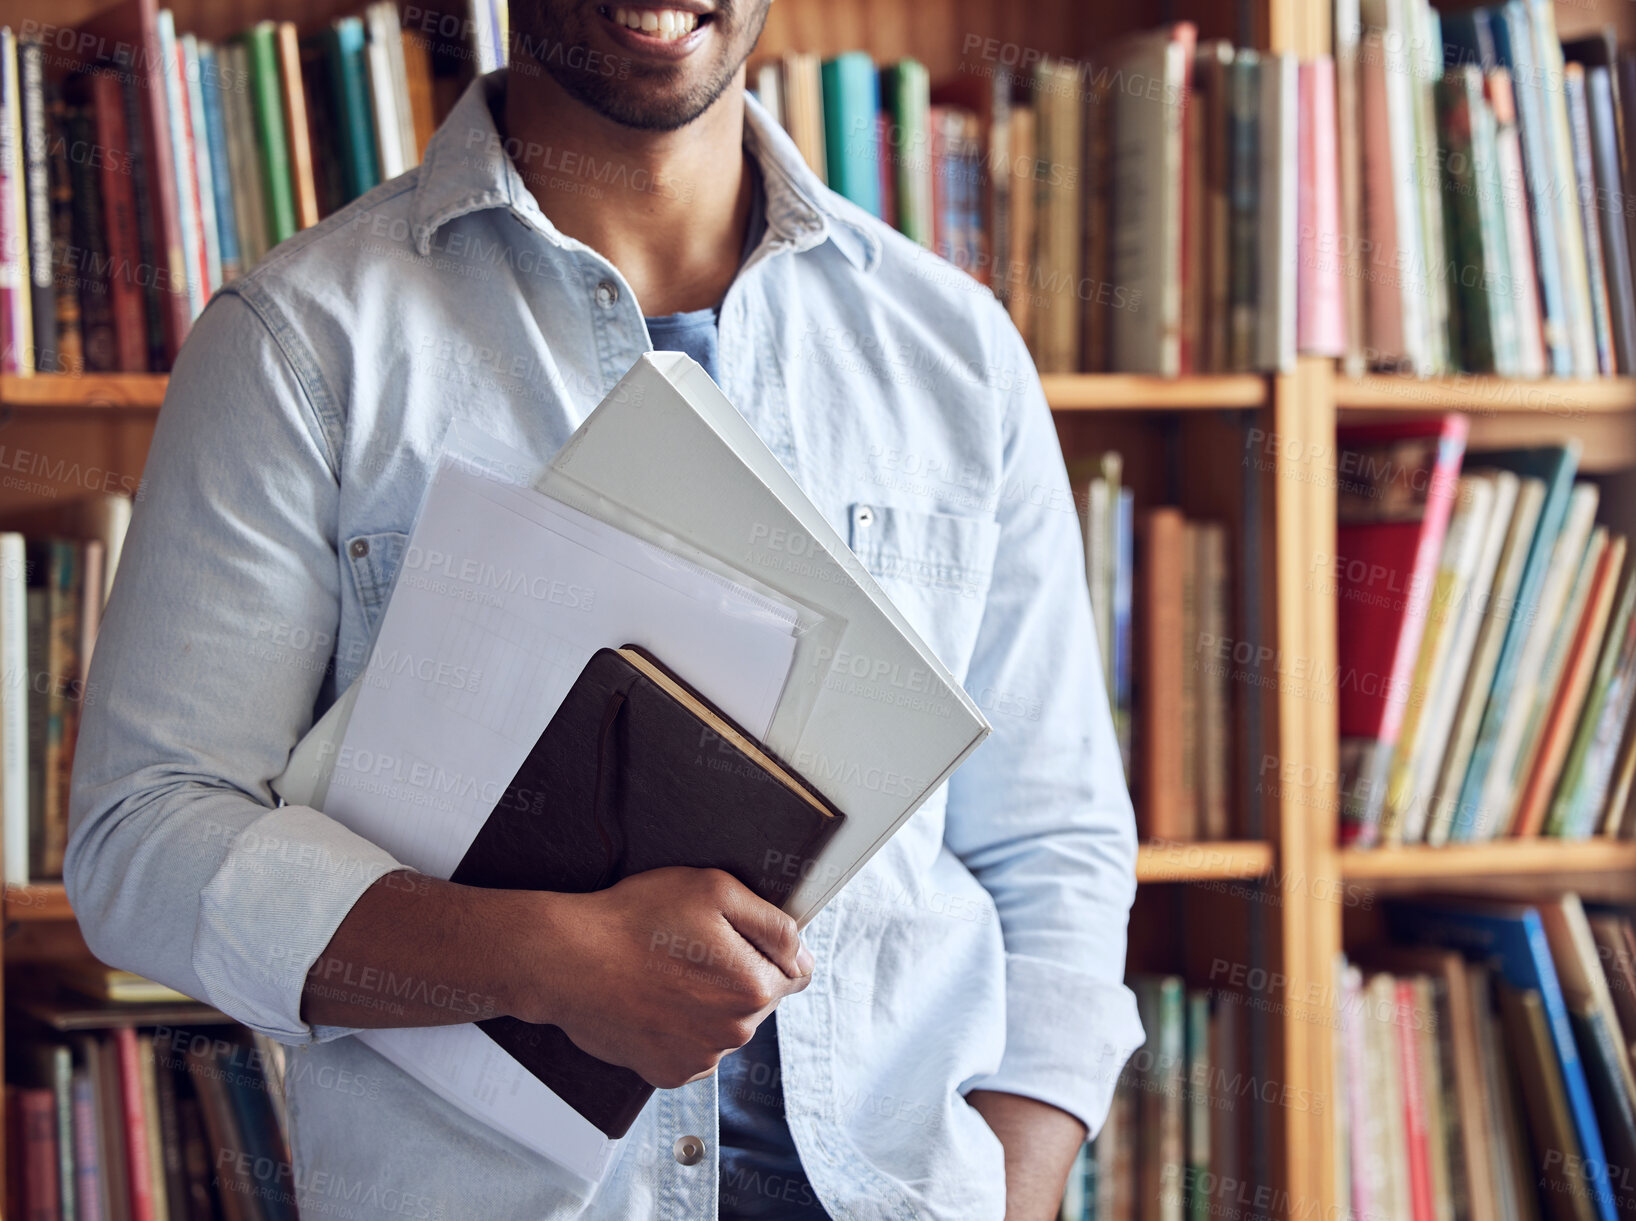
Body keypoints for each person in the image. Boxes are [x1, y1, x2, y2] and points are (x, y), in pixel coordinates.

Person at [66, 1, 1144, 1216]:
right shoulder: (300, 344)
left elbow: (1052, 846)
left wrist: (1017, 1185)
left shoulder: (955, 348)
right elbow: (141, 842)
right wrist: (541, 964)